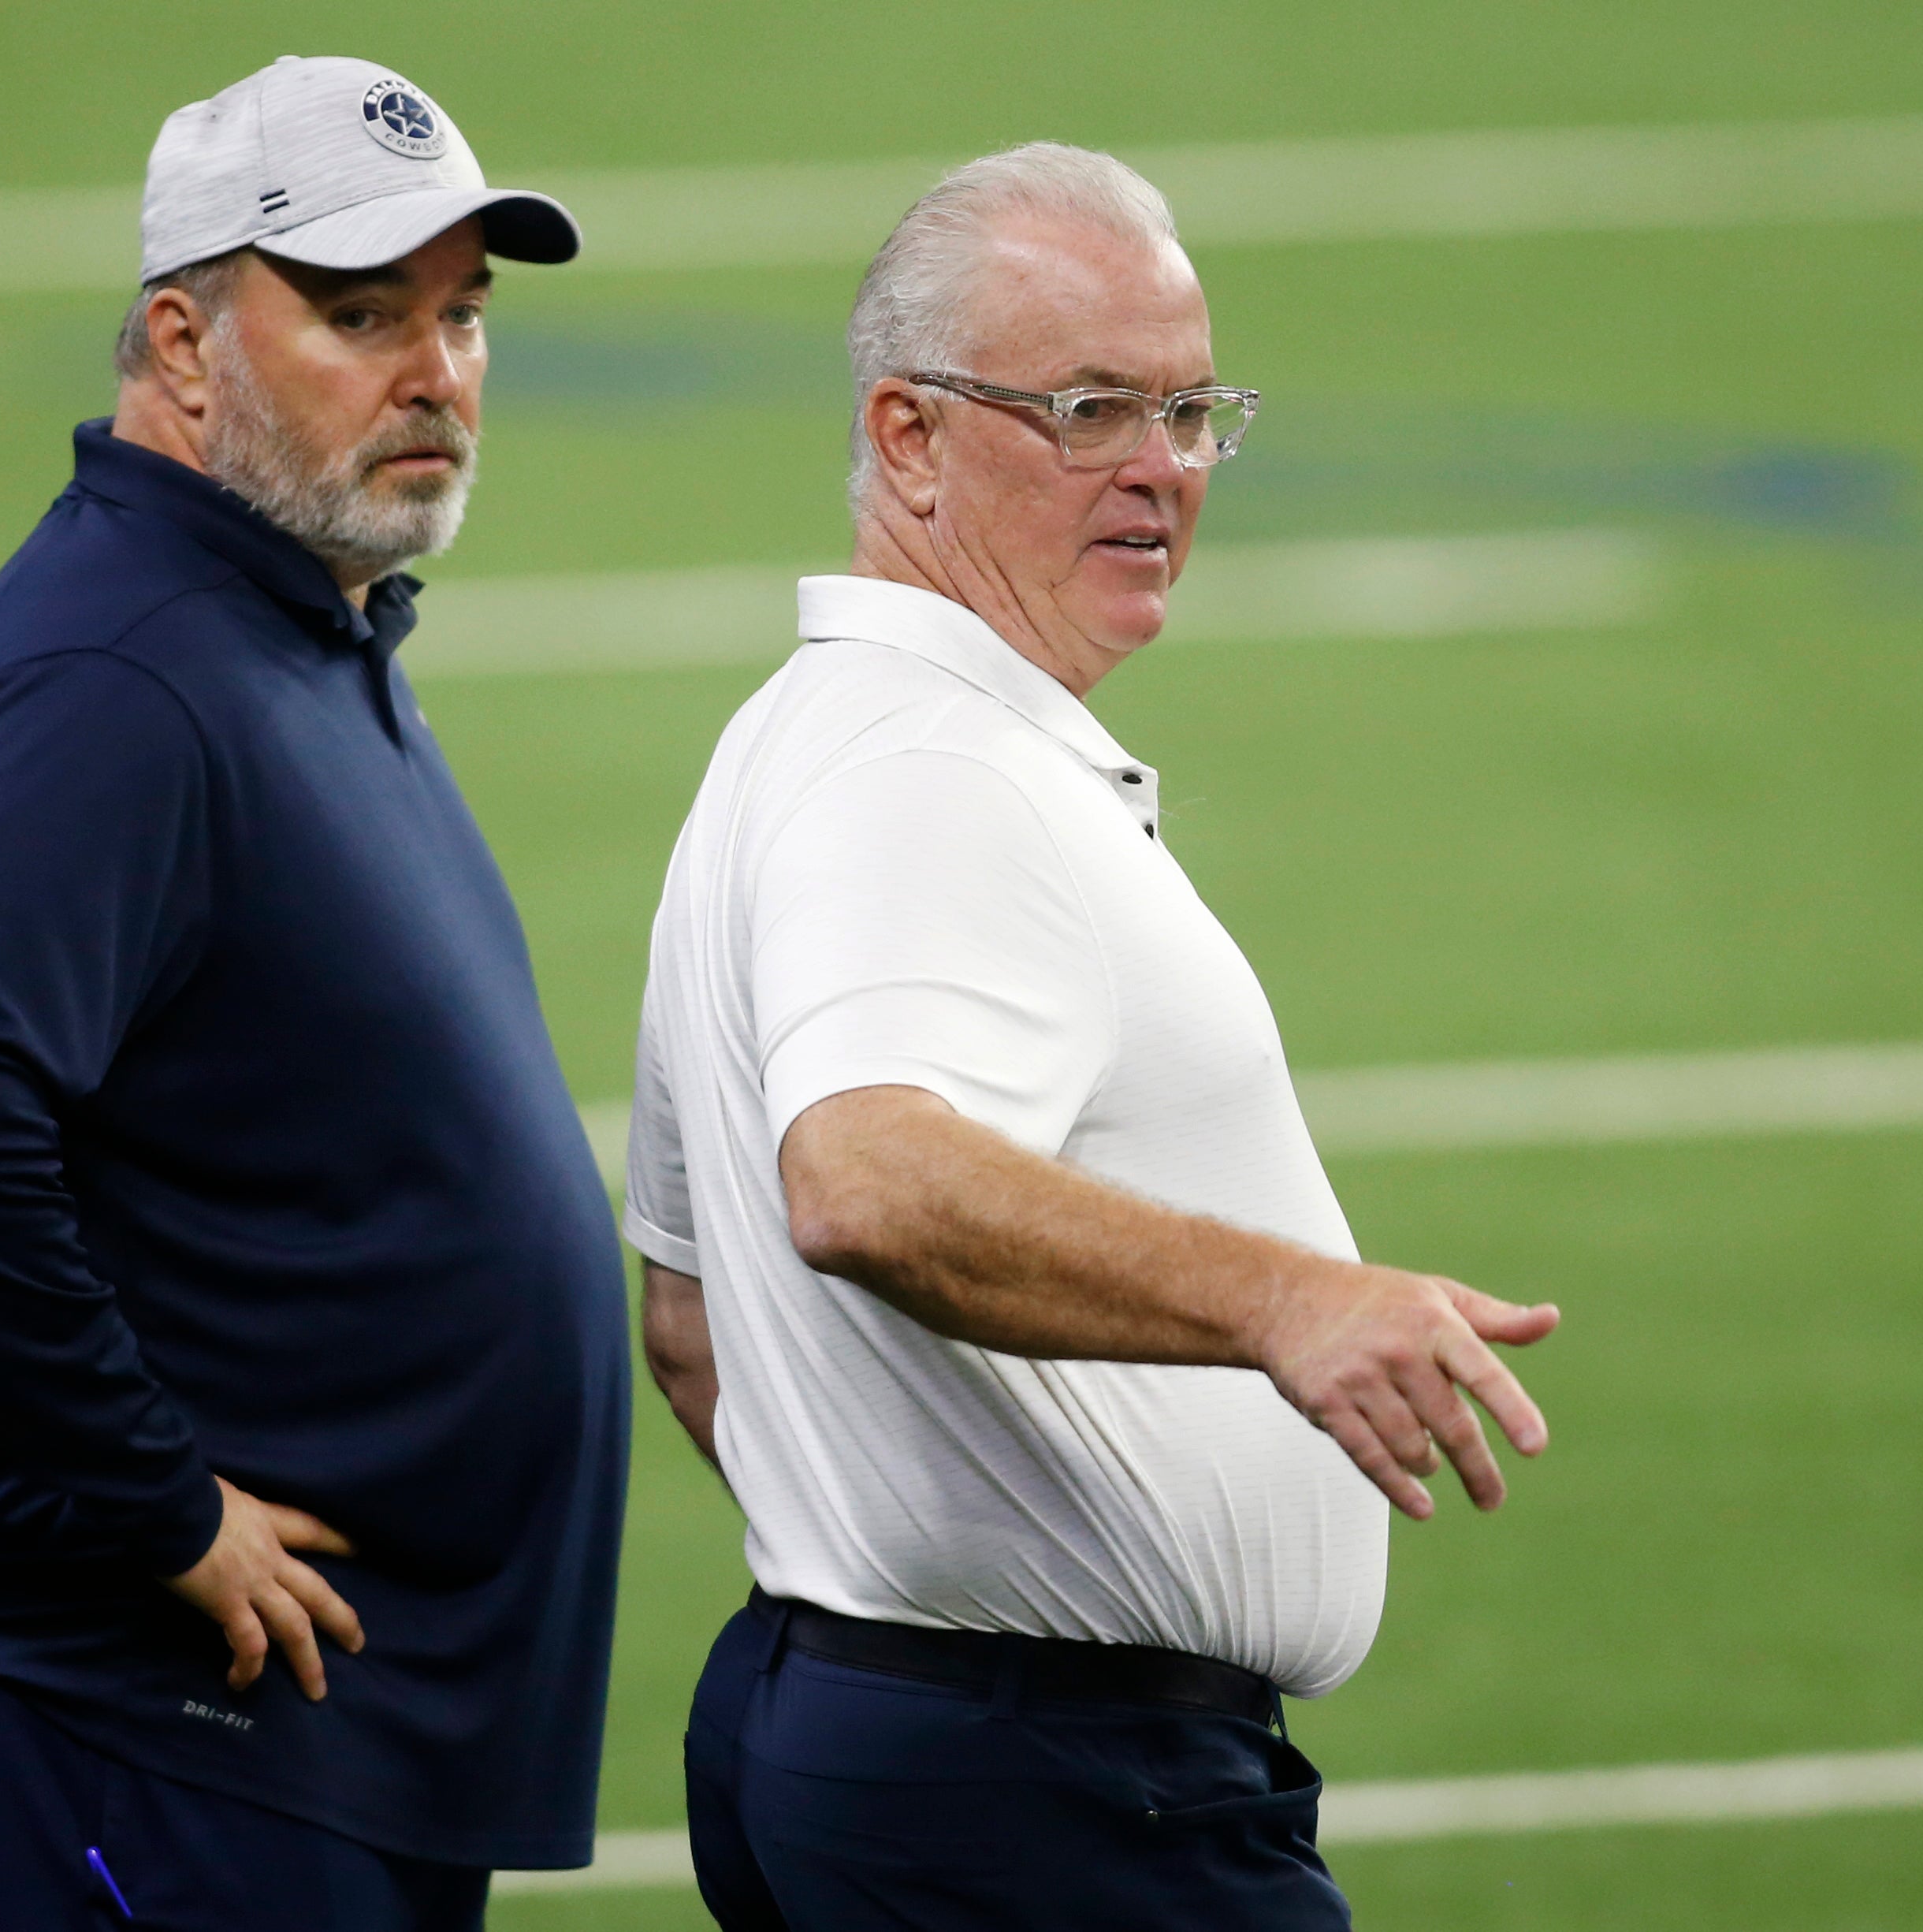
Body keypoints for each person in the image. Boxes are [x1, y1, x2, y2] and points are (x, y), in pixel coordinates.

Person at [623, 143, 1564, 1931]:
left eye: (1194, 410)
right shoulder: (924, 774)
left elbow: (689, 1323)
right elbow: (860, 1181)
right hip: (1043, 1790)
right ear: (905, 436)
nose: (1161, 468)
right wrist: (1284, 1298)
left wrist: (878, 1563)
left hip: (891, 1730)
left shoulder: (797, 742)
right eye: (1087, 409)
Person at [0, 56, 626, 1930]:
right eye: (358, 315)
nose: (438, 372)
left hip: (308, 1741)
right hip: (162, 1736)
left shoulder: (291, 621)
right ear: (182, 343)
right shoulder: (124, 669)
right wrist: (156, 1504)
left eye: (462, 314)